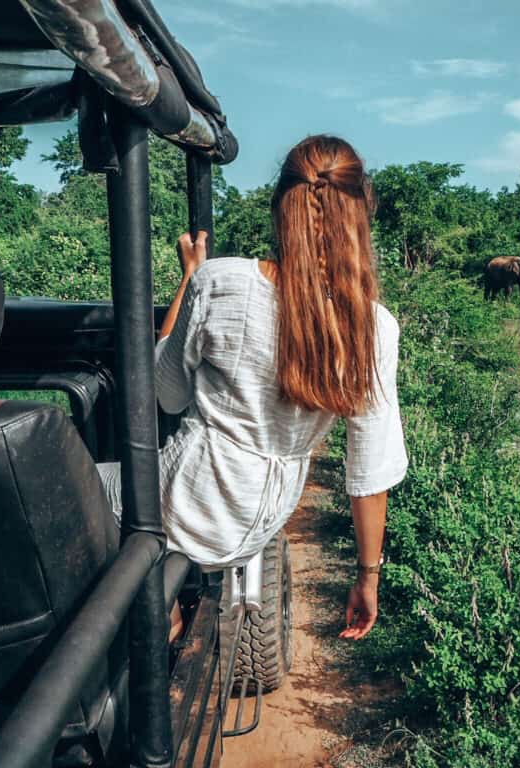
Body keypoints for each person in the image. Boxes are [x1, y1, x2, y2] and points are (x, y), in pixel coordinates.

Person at [99, 135, 407, 640]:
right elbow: (370, 474)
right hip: (257, 523)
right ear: (359, 215)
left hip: (186, 502)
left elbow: (165, 391)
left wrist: (189, 281)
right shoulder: (372, 328)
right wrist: (367, 578)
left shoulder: (220, 282)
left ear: (279, 205)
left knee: (78, 480)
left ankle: (155, 610)